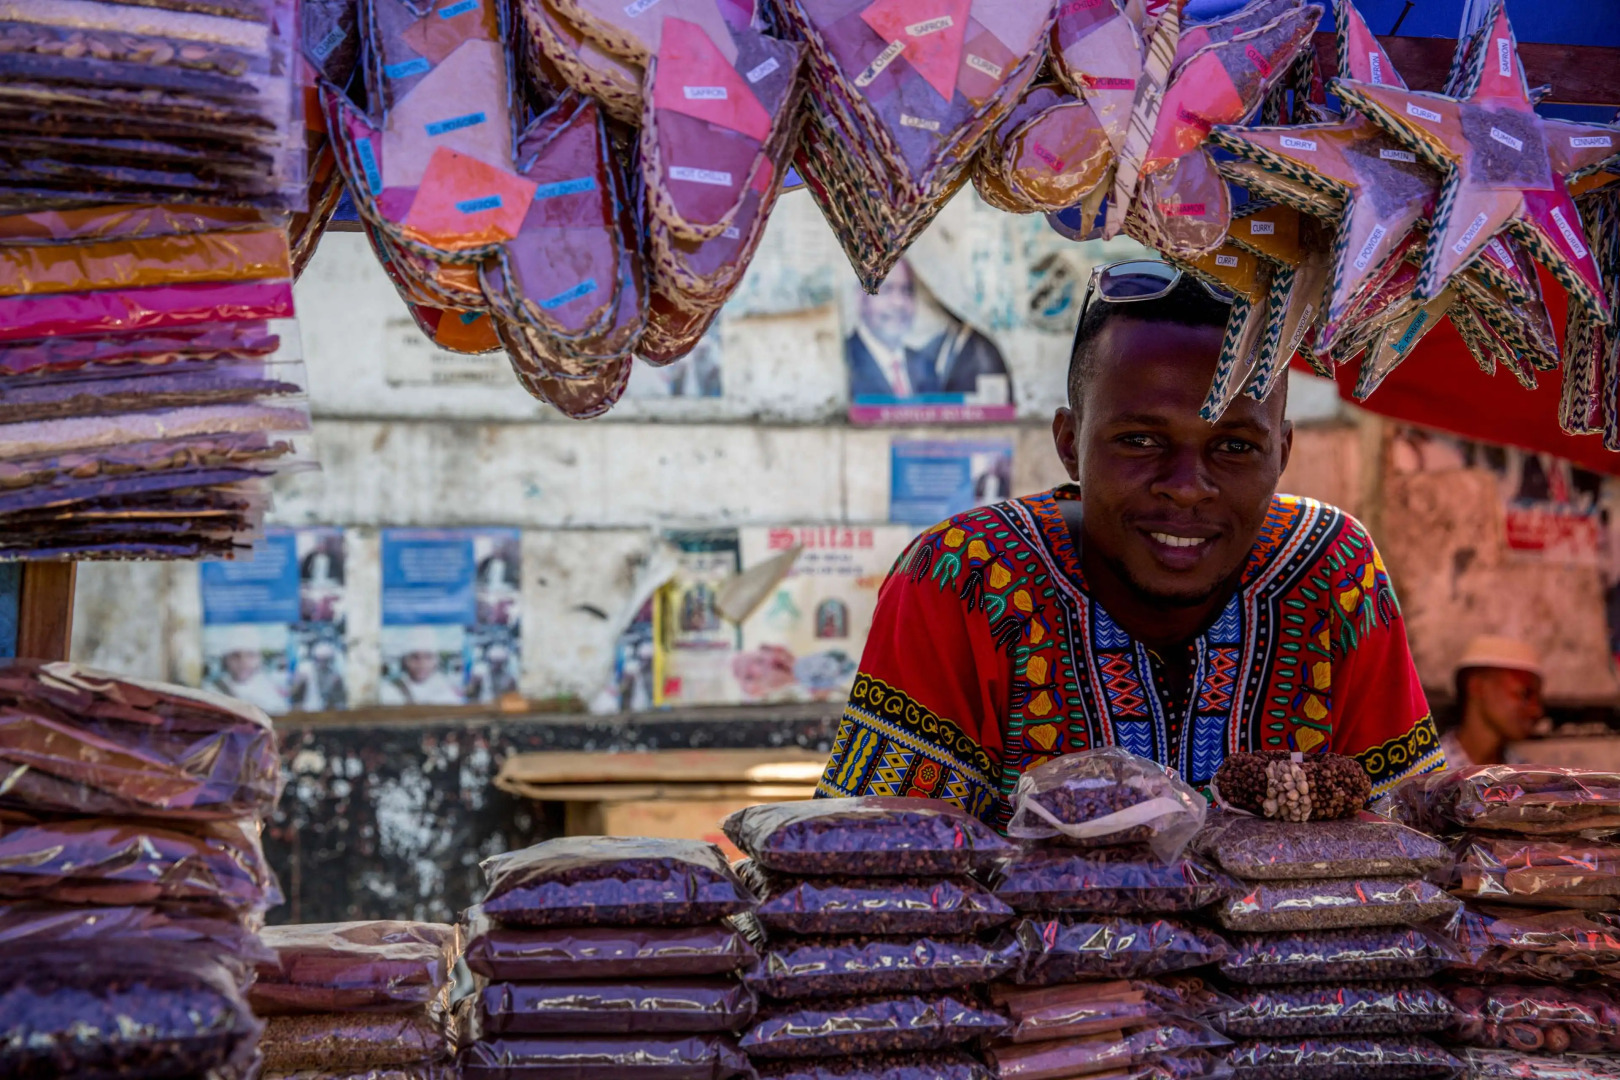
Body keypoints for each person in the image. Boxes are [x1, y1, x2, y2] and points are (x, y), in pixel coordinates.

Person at [818, 262, 1444, 826]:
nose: (1187, 489)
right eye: (1141, 440)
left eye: (1235, 446)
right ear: (1070, 444)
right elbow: (878, 863)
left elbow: (1414, 830)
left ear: (1282, 450)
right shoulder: (963, 577)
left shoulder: (1333, 569)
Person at [846, 260, 1009, 399]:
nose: (898, 303)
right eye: (886, 290)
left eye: (906, 290)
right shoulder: (843, 360)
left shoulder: (924, 364)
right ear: (860, 297)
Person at [1441, 635, 1544, 770]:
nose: (1536, 710)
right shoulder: (1427, 770)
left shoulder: (1526, 776)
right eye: (1524, 694)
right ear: (1477, 686)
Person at [208, 625, 289, 715]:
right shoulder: (211, 689)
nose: (243, 661)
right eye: (235, 655)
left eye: (250, 655)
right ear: (225, 660)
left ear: (259, 659)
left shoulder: (271, 689)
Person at [379, 627, 464, 706]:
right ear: (405, 661)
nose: (422, 663)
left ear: (436, 660)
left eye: (428, 657)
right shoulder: (390, 690)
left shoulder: (447, 690)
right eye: (415, 657)